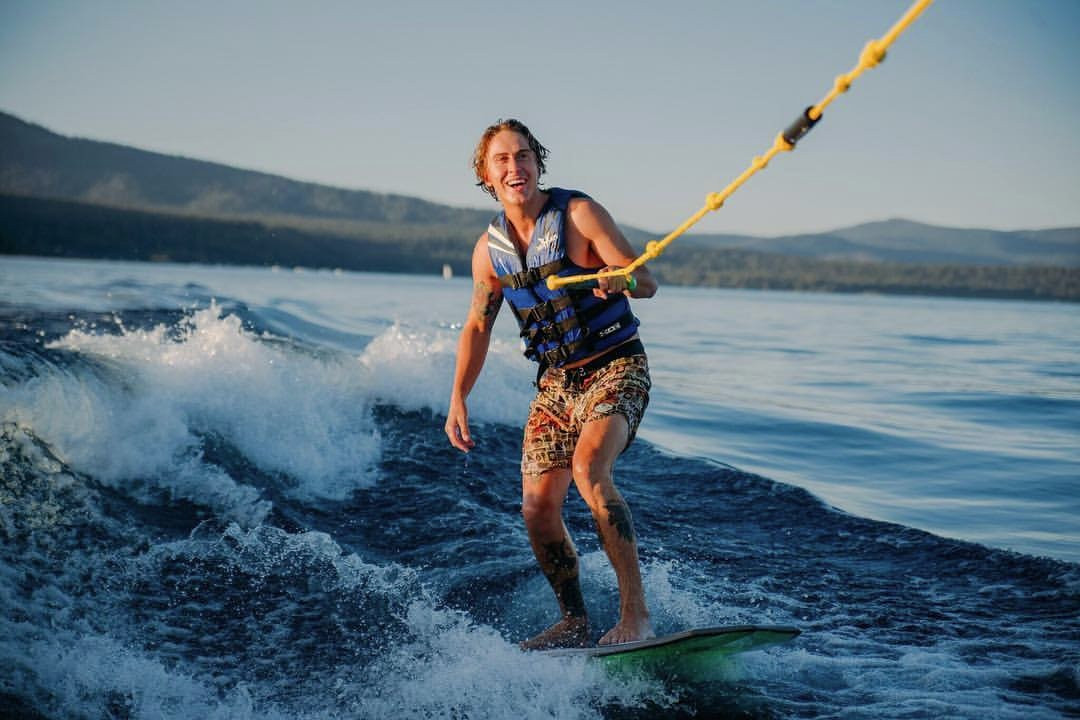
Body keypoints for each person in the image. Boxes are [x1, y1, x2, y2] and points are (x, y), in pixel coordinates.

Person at [444, 119, 659, 649]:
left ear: (538, 164)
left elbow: (646, 281)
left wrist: (621, 277)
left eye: (524, 156)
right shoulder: (488, 252)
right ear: (485, 174)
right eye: (502, 160)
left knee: (590, 469)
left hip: (616, 366)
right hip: (557, 385)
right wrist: (458, 398)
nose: (515, 167)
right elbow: (477, 325)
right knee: (537, 506)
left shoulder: (579, 215)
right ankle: (575, 620)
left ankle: (636, 616)